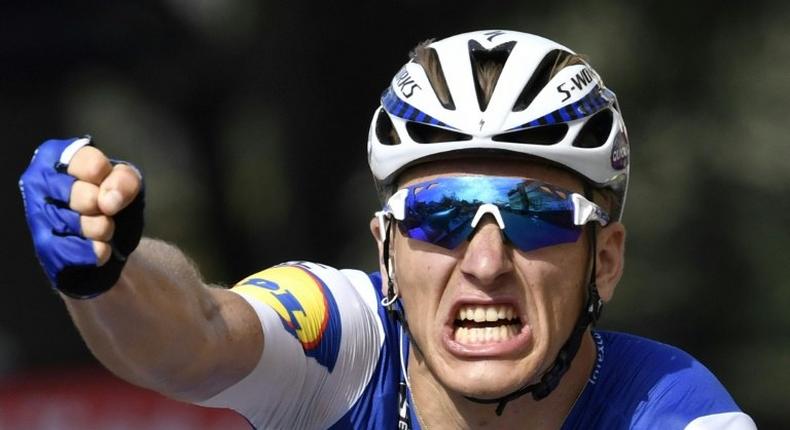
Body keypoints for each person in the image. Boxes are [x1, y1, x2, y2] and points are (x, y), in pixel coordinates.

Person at [19, 30, 756, 429]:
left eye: (534, 215)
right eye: (440, 215)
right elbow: (199, 331)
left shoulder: (671, 406)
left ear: (604, 260)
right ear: (386, 249)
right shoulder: (346, 343)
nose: (486, 260)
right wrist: (107, 270)